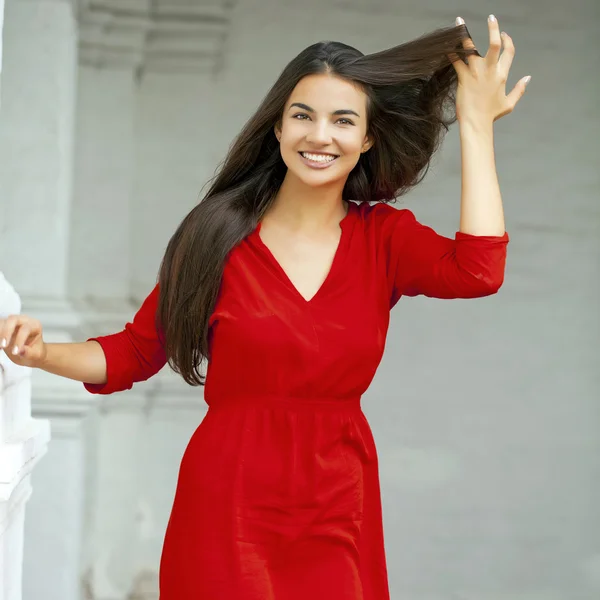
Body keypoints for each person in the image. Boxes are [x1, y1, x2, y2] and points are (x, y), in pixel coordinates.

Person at [0, 15, 529, 600]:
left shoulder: (384, 239)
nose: (319, 135)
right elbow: (133, 352)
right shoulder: (215, 236)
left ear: (368, 138)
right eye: (302, 115)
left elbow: (479, 271)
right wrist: (40, 352)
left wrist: (476, 127)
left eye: (343, 120)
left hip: (337, 504)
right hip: (227, 505)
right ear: (277, 128)